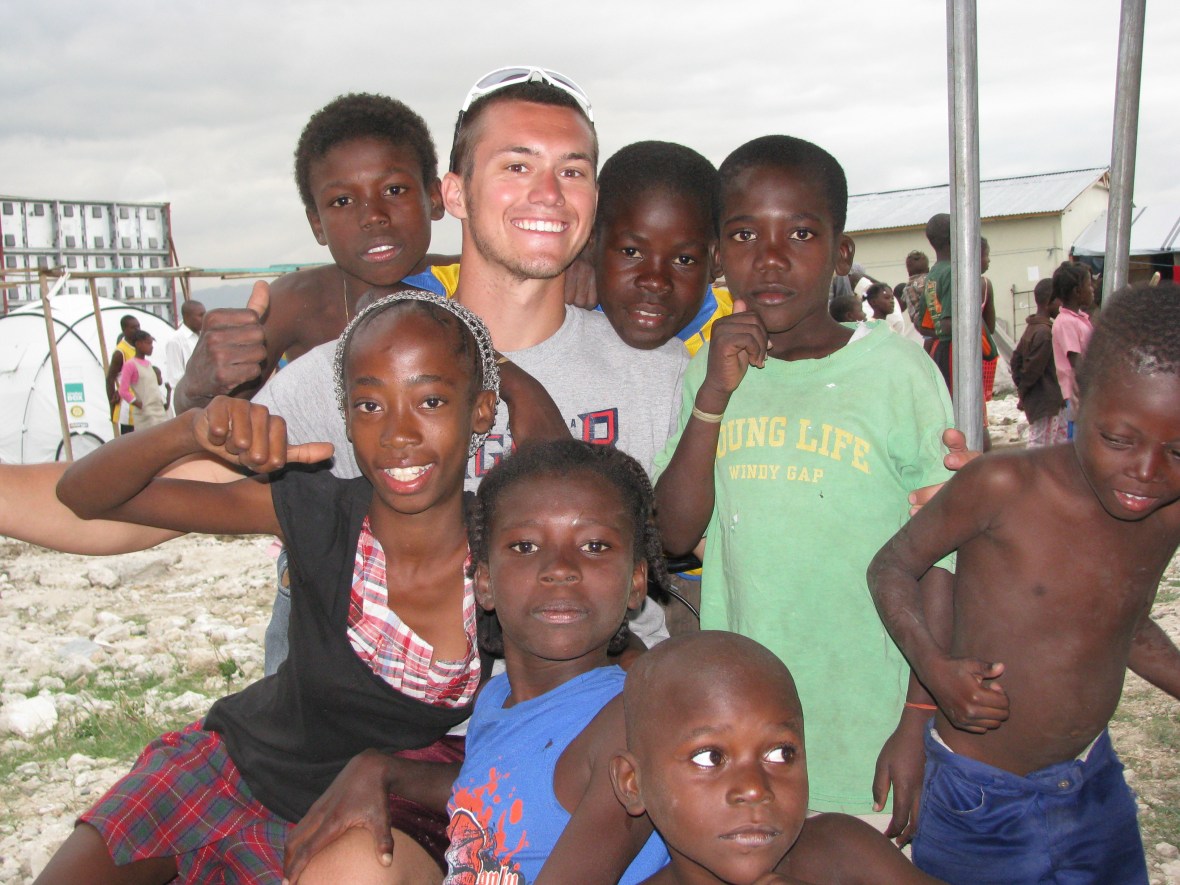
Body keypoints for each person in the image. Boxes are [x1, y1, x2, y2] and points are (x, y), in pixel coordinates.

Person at [38, 291, 503, 885]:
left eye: (431, 400)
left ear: (480, 411)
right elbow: (83, 494)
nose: (398, 434)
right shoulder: (319, 513)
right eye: (369, 405)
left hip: (347, 815)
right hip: (229, 766)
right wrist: (188, 432)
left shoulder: (505, 553)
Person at [254, 68, 686, 673]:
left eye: (573, 171)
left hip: (603, 724)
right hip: (406, 735)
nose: (550, 193)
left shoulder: (660, 373)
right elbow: (125, 508)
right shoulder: (361, 369)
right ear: (454, 194)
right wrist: (198, 405)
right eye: (517, 165)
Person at [653, 135, 955, 840]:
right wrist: (714, 397)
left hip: (868, 726)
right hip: (742, 734)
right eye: (744, 234)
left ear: (840, 254)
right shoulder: (708, 371)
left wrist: (917, 718)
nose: (771, 257)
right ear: (720, 253)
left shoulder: (898, 375)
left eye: (802, 233)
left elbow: (946, 559)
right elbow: (671, 533)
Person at [868, 282, 1180, 885]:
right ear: (1078, 391)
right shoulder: (1003, 487)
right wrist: (935, 671)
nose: (1146, 471)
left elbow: (1124, 621)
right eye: (1119, 439)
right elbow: (892, 567)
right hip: (979, 804)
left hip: (1094, 787)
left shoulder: (1162, 515)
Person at [443, 438, 669, 884]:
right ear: (484, 582)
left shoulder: (633, 725)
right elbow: (507, 788)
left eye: (595, 546)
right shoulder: (497, 699)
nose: (561, 567)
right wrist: (387, 771)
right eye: (525, 546)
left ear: (636, 582)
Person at [172, 93, 450, 413]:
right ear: (317, 224)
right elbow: (203, 417)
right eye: (342, 201)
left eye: (394, 190)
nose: (373, 215)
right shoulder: (294, 303)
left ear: (434, 198)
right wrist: (196, 387)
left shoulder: (468, 281)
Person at [610, 632, 944, 885]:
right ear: (633, 784)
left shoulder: (840, 852)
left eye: (780, 753)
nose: (755, 789)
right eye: (710, 758)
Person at [593, 140, 729, 355]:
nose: (655, 282)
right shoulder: (556, 320)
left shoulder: (741, 346)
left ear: (717, 261)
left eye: (683, 260)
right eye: (632, 252)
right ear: (591, 244)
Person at [1009, 278, 1066, 447]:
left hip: (1045, 400)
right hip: (1044, 401)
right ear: (1050, 301)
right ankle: (1029, 473)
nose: (1062, 305)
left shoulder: (1033, 328)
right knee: (1040, 444)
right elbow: (1033, 369)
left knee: (1057, 442)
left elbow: (1015, 360)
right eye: (1059, 300)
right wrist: (1023, 392)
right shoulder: (1044, 333)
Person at [1049, 260, 1094, 440]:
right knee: (1079, 442)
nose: (1093, 289)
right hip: (1077, 394)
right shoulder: (1065, 322)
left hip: (1086, 392)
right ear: (1077, 291)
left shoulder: (1080, 319)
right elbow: (1076, 361)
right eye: (1089, 285)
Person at [923, 214, 955, 392]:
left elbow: (922, 324)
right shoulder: (952, 272)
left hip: (938, 349)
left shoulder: (932, 274)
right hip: (953, 350)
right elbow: (948, 323)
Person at [117, 330, 169, 431]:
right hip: (145, 415)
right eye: (148, 343)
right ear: (138, 344)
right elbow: (123, 391)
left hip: (159, 411)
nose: (152, 346)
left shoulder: (148, 364)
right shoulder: (130, 365)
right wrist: (140, 405)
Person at [161, 299, 206, 395]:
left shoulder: (203, 337)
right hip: (187, 398)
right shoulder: (176, 340)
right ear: (187, 317)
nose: (204, 318)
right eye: (200, 315)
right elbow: (175, 377)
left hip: (204, 395)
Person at [106, 314, 141, 434]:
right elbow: (110, 378)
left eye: (138, 327)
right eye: (133, 328)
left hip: (141, 400)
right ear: (124, 330)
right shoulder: (120, 352)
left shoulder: (139, 347)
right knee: (129, 440)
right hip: (128, 404)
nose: (137, 330)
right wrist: (112, 405)